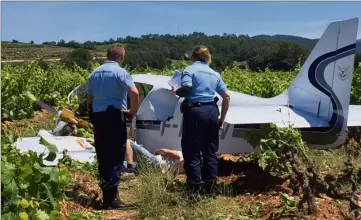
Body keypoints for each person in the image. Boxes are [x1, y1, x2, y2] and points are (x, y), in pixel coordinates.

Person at [171, 45, 231, 196]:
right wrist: (221, 120)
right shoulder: (214, 73)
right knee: (210, 151)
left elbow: (187, 89)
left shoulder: (190, 70)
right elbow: (227, 96)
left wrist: (176, 91)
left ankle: (194, 191)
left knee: (192, 151)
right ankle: (210, 190)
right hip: (212, 112)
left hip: (195, 112)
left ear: (193, 57)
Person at [86, 43, 139, 210]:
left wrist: (92, 114)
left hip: (98, 117)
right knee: (116, 154)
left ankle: (106, 197)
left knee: (102, 155)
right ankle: (112, 199)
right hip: (115, 116)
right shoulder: (120, 72)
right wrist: (132, 110)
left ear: (107, 55)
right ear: (121, 57)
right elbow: (134, 92)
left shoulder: (94, 73)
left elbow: (89, 98)